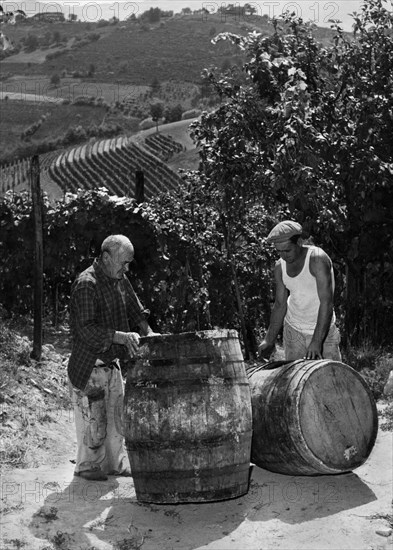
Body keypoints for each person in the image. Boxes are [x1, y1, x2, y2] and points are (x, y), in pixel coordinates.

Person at [68, 234, 158, 481]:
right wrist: (120, 336)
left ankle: (115, 464)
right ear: (106, 257)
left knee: (117, 420)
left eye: (129, 263)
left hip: (111, 364)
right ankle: (86, 466)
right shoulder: (87, 283)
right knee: (94, 421)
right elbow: (85, 330)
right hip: (90, 366)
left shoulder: (119, 278)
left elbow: (134, 307)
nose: (126, 268)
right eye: (123, 262)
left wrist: (147, 331)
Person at [258, 220, 341, 362]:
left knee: (331, 378)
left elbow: (326, 303)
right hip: (294, 331)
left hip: (323, 331)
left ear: (300, 242)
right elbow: (280, 305)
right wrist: (268, 340)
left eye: (287, 250)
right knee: (296, 381)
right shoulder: (280, 267)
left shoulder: (317, 260)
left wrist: (316, 342)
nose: (283, 256)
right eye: (279, 251)